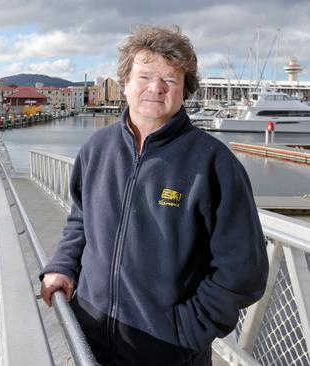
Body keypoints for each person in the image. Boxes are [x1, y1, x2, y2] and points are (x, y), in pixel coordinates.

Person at [39, 25, 268, 365]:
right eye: (144, 76)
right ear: (126, 83)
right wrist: (62, 266)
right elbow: (81, 218)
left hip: (165, 352)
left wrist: (183, 332)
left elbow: (243, 273)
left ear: (184, 90)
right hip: (88, 336)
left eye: (170, 80)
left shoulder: (213, 164)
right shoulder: (96, 149)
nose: (155, 88)